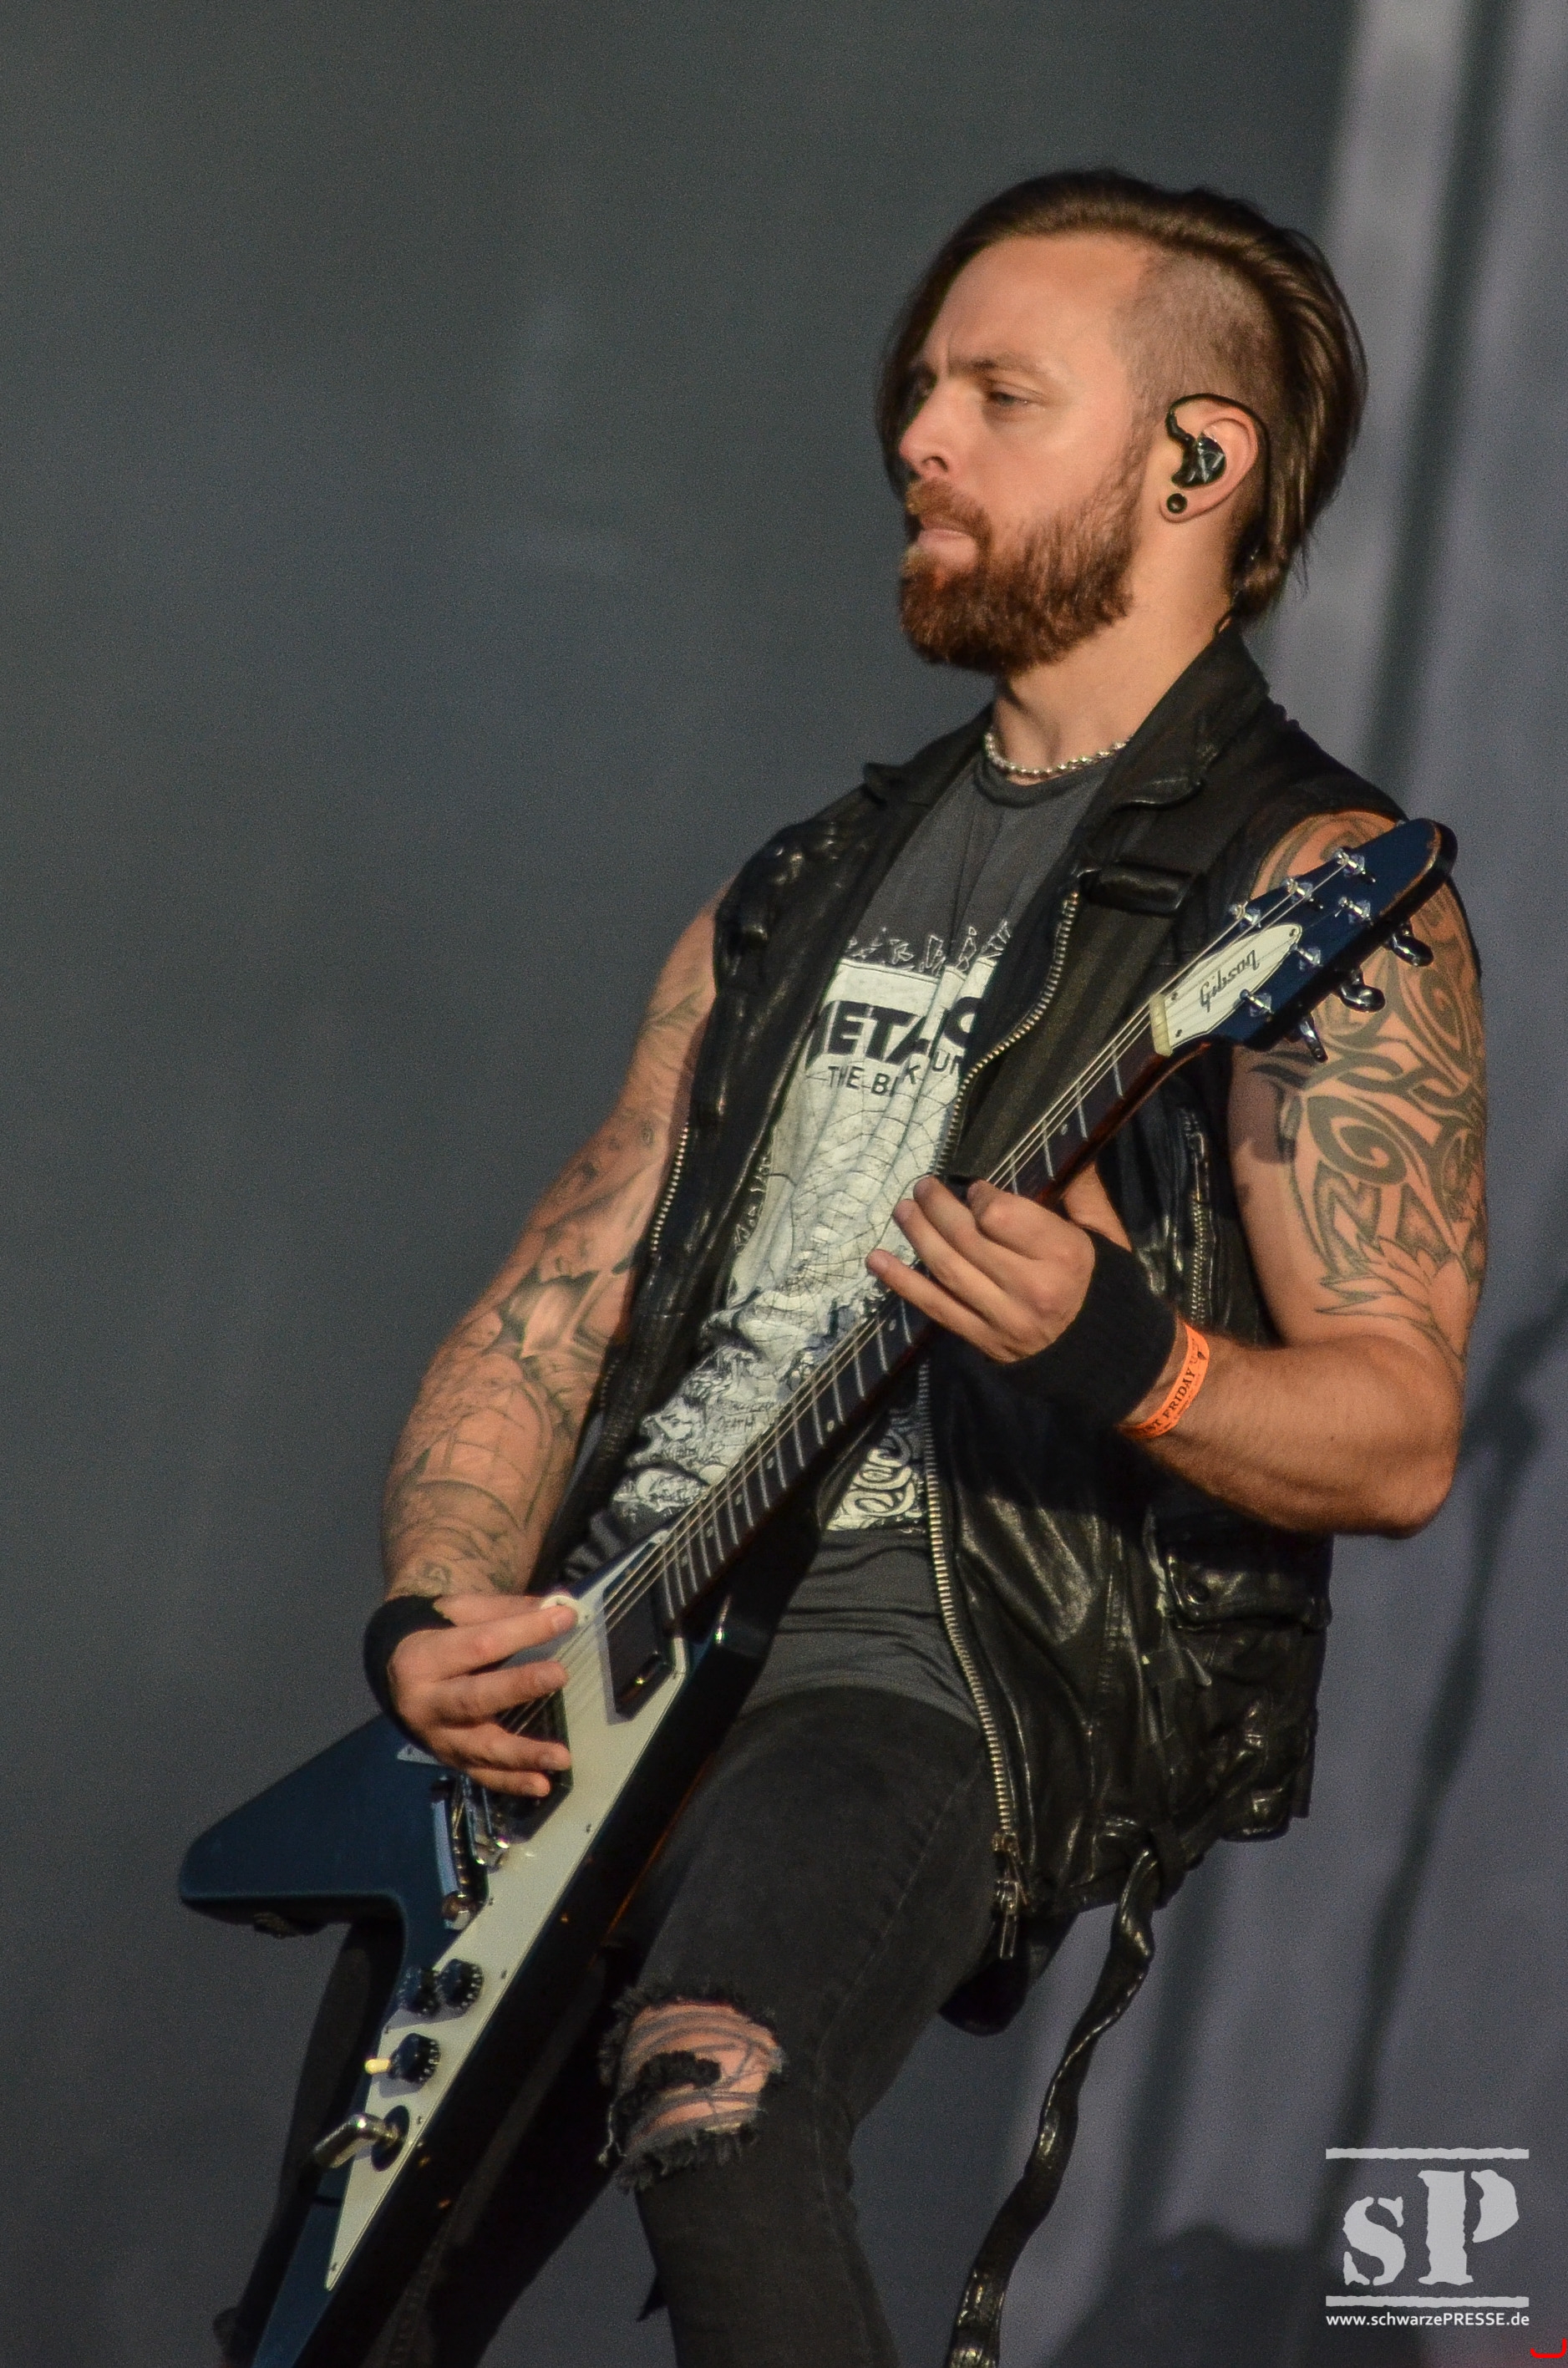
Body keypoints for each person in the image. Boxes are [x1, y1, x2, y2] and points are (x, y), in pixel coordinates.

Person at [336, 173, 1484, 2368]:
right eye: (919, 392)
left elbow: (1402, 1429)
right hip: (589, 1672)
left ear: (1196, 459)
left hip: (930, 1652)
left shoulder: (1312, 887)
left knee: (718, 2094)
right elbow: (558, 1292)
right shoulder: (791, 892)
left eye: (997, 395)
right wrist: (437, 1606)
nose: (917, 439)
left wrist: (1121, 1346)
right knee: (337, 2321)